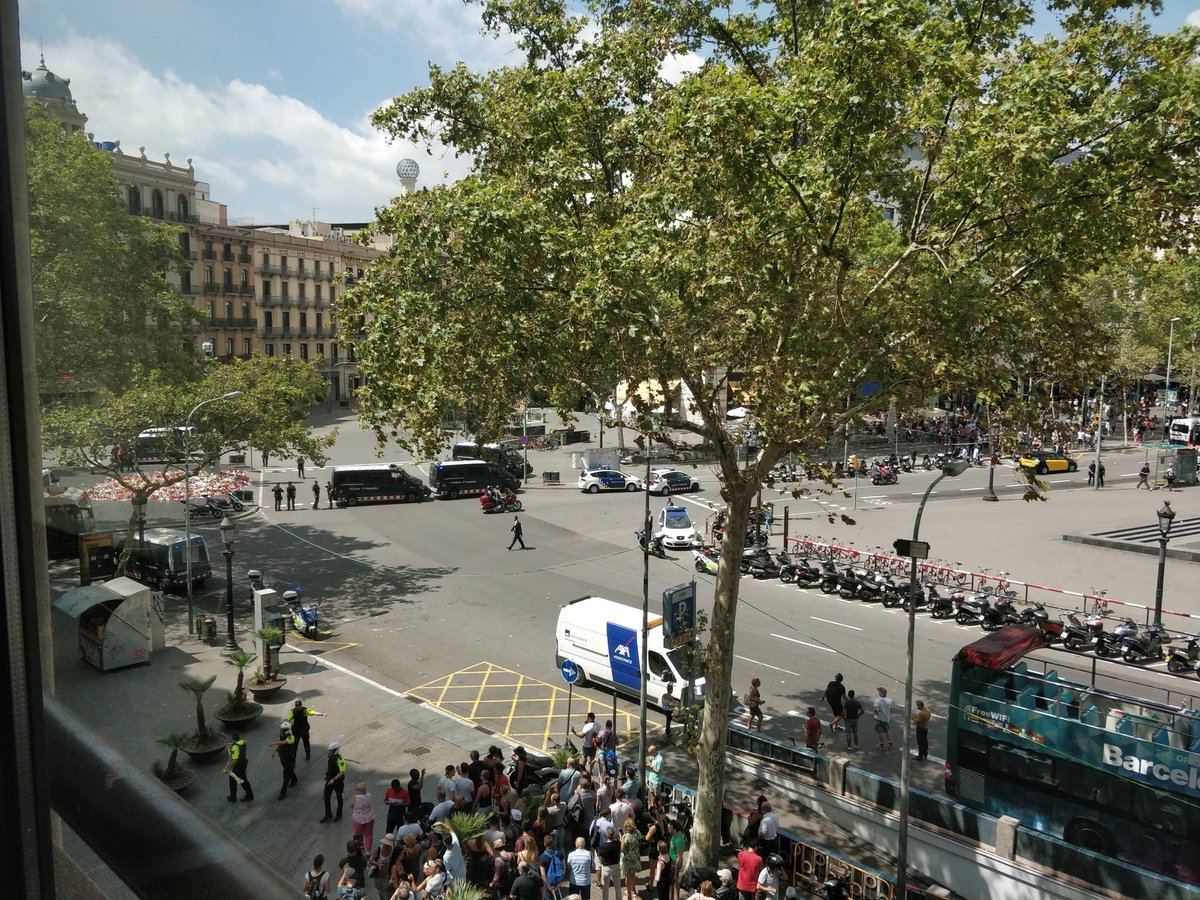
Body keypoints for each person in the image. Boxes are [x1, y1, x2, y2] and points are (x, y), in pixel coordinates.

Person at [269, 720, 299, 800]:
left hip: (289, 758)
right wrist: (275, 751)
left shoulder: (291, 737)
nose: (280, 731)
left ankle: (283, 793)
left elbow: (283, 742)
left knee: (286, 775)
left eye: (282, 729)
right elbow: (280, 743)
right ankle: (294, 779)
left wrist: (274, 743)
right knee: (288, 770)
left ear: (286, 730)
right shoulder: (282, 735)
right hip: (283, 757)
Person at [322, 741, 348, 823]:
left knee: (339, 797)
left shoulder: (340, 760)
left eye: (330, 751)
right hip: (330, 781)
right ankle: (328, 814)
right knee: (326, 797)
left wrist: (334, 779)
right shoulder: (330, 759)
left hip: (337, 782)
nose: (328, 752)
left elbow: (342, 772)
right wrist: (327, 777)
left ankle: (339, 814)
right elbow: (330, 768)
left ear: (335, 751)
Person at [225, 730, 253, 802]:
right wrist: (232, 744)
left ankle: (248, 795)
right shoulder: (244, 742)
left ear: (233, 738)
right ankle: (233, 796)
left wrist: (228, 768)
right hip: (243, 764)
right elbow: (238, 743)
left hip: (237, 767)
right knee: (236, 780)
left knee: (241, 781)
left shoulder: (235, 748)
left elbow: (234, 760)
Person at [596, 826, 621, 900]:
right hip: (616, 866)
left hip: (606, 867)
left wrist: (601, 863)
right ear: (614, 835)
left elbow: (600, 857)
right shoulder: (618, 844)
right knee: (618, 887)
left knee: (605, 888)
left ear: (606, 835)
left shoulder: (602, 846)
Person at [567, 835, 596, 900]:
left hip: (574, 881)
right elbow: (593, 867)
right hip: (586, 882)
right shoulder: (590, 854)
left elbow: (568, 868)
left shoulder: (571, 855)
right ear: (584, 844)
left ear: (576, 844)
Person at [619, 818, 641, 900]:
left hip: (627, 859)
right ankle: (633, 890)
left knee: (627, 877)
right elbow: (642, 838)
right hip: (635, 857)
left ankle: (629, 896)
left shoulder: (626, 837)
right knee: (633, 875)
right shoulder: (637, 832)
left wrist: (621, 837)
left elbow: (623, 849)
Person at [352, 781, 377, 852]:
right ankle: (368, 850)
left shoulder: (355, 797)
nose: (356, 791)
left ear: (360, 790)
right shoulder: (369, 795)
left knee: (358, 835)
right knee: (368, 834)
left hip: (358, 819)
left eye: (357, 790)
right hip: (369, 818)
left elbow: (352, 806)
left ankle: (359, 848)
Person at [873, 687, 894, 752]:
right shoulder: (890, 700)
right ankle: (891, 745)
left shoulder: (877, 700)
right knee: (887, 731)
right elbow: (891, 709)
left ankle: (881, 746)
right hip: (886, 719)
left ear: (880, 693)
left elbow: (875, 710)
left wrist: (877, 712)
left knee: (880, 733)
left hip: (879, 719)